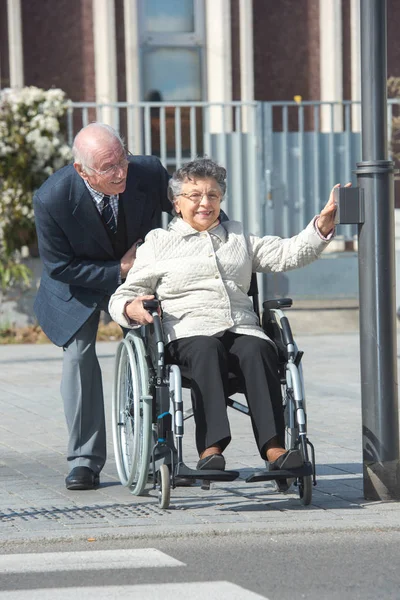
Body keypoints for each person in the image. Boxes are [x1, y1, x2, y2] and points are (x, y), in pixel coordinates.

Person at [108, 157, 348, 472]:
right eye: (194, 196)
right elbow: (122, 295)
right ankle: (211, 450)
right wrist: (131, 308)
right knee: (207, 348)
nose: (204, 203)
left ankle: (275, 450)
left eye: (213, 196)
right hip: (188, 333)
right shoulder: (158, 243)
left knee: (259, 347)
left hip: (241, 328)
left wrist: (324, 223)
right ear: (177, 203)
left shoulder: (238, 238)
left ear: (221, 200)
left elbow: (289, 252)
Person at [33, 122, 170, 490]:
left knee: (152, 349)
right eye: (108, 168)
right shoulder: (52, 197)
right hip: (78, 281)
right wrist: (118, 268)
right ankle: (84, 460)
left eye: (122, 160)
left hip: (136, 277)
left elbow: (187, 208)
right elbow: (60, 266)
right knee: (78, 356)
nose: (120, 172)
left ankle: (161, 451)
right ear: (82, 171)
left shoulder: (149, 171)